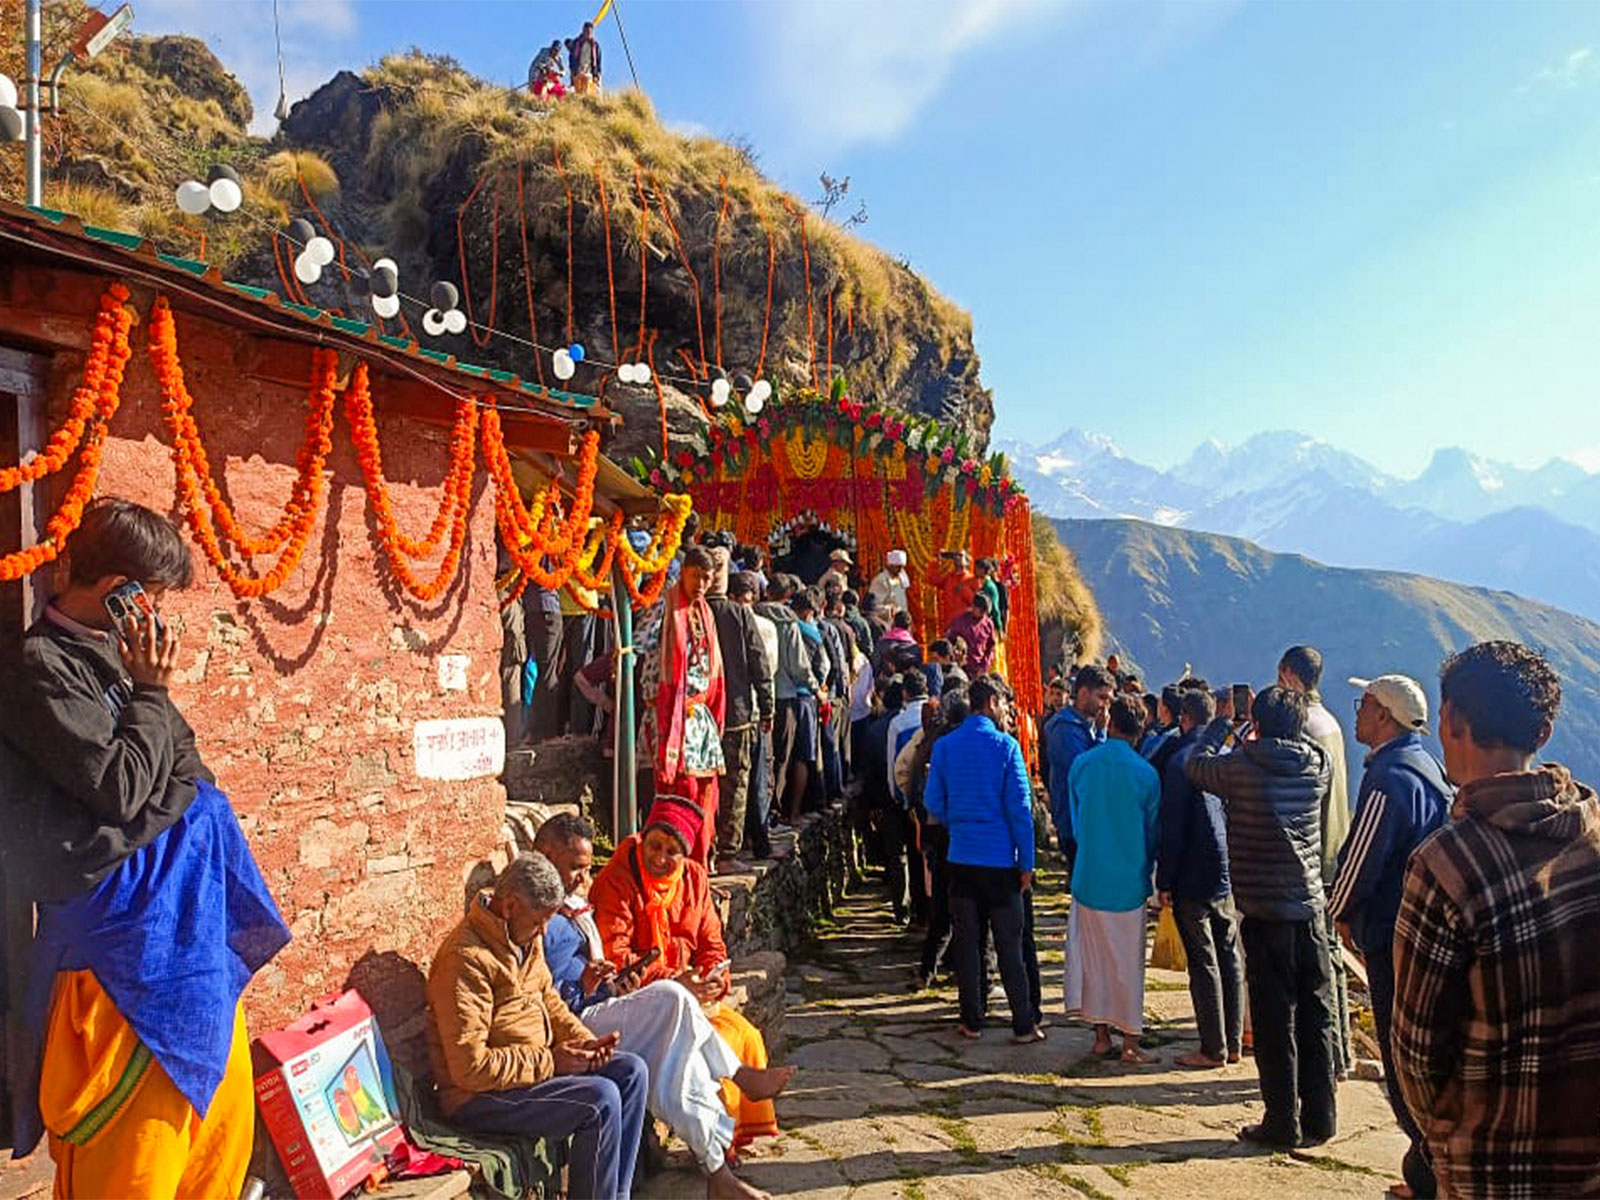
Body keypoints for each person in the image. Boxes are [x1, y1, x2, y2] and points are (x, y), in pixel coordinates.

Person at [0, 499, 290, 1199]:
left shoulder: (117, 662)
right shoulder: (37, 668)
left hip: (187, 950)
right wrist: (152, 696)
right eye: (152, 599)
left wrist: (156, 760)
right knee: (134, 1166)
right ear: (115, 592)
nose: (156, 617)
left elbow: (193, 771)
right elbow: (125, 788)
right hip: (116, 958)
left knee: (213, 1154)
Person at [1392, 642, 1600, 1199]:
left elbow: (1416, 1050)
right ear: (1544, 730)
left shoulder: (1447, 863)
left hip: (1490, 1164)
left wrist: (1443, 1136)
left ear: (1453, 720)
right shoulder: (1592, 836)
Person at [535, 815, 793, 1200]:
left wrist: (705, 975)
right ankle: (738, 1075)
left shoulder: (688, 882)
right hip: (575, 1025)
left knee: (677, 1069)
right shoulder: (539, 911)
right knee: (673, 998)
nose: (582, 880)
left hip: (608, 1001)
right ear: (544, 855)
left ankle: (717, 1172)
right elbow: (539, 993)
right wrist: (587, 986)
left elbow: (710, 941)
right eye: (574, 868)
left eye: (585, 870)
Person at [427, 853, 646, 1200]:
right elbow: (469, 1068)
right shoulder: (465, 959)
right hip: (479, 1096)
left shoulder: (526, 937)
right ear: (511, 905)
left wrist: (586, 1044)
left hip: (530, 1074)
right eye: (540, 920)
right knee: (599, 1101)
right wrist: (551, 1062)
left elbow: (550, 1001)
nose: (545, 930)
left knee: (632, 1072)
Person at [1186, 687, 1338, 1150]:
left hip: (1264, 910)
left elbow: (1195, 764)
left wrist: (1222, 723)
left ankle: (1281, 1121)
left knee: (1275, 1022)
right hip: (1309, 908)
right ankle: (1321, 1115)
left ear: (1256, 721)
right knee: (1316, 1014)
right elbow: (1310, 749)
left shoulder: (1239, 767)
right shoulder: (1318, 767)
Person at [589, 798, 782, 1149]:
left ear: (686, 854)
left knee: (746, 1036)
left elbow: (712, 942)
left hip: (691, 992)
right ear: (642, 840)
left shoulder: (694, 878)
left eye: (671, 851)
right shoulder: (616, 880)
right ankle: (715, 1148)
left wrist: (714, 978)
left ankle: (730, 1139)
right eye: (654, 846)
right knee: (710, 1047)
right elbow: (615, 955)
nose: (660, 858)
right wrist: (671, 980)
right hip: (643, 1000)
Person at [1329, 673, 1449, 1199]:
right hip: (1422, 927)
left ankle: (1425, 1172)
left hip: (1388, 929)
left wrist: (1338, 910)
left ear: (1384, 716)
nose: (1358, 713)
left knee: (1401, 1057)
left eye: (1365, 704)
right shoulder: (1427, 767)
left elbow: (1363, 855)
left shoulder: (1388, 776)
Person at [923, 675, 1042, 1044]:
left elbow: (933, 802)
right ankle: (1023, 1022)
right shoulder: (1006, 747)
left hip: (960, 857)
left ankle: (971, 1020)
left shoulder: (944, 747)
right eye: (1005, 703)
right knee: (1010, 945)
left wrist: (960, 817)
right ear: (991, 702)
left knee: (968, 943)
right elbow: (1020, 809)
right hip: (1002, 861)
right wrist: (1027, 863)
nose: (1007, 711)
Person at [1063, 695, 1162, 1065]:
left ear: (1110, 723)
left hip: (1089, 875)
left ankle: (1101, 1036)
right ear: (1139, 731)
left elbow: (1074, 819)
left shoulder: (1082, 765)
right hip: (1128, 880)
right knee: (1127, 965)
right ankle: (1131, 1042)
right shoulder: (1146, 775)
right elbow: (1152, 832)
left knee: (1095, 963)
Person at [1277, 645, 1354, 1076]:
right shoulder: (1332, 723)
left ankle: (1326, 1058)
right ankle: (1341, 1053)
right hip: (1335, 847)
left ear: (1288, 674)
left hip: (1308, 855)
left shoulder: (1300, 725)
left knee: (1316, 967)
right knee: (1333, 958)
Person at [1157, 688, 1244, 1069]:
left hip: (1192, 872)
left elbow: (1172, 827)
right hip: (1226, 868)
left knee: (1203, 959)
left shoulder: (1180, 762)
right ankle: (1235, 1040)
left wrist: (1165, 880)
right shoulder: (1226, 758)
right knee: (1228, 953)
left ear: (1185, 718)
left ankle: (1212, 1047)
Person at [645, 545, 725, 864]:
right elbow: (638, 645)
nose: (701, 584)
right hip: (669, 714)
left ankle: (700, 863)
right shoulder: (663, 606)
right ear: (683, 573)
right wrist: (653, 700)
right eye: (695, 576)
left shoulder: (706, 611)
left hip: (700, 716)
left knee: (705, 793)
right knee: (678, 791)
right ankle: (672, 861)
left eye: (707, 578)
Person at [709, 562, 773, 871]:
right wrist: (767, 706)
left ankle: (705, 850)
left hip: (701, 716)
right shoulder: (740, 615)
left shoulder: (692, 611)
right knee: (734, 785)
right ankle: (726, 854)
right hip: (737, 714)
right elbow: (759, 664)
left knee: (704, 785)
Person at [756, 577, 819, 834]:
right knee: (781, 758)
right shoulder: (788, 622)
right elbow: (798, 666)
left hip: (760, 695)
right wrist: (815, 686)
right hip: (786, 695)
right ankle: (776, 815)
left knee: (764, 758)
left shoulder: (753, 614)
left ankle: (761, 816)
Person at [1043, 663, 1114, 871]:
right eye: (1102, 698)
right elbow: (1087, 771)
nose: (1105, 706)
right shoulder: (1065, 729)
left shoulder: (1086, 724)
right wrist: (1101, 734)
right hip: (1074, 823)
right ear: (1083, 693)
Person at [883, 670, 929, 925]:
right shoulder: (936, 715)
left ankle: (916, 910)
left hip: (908, 796)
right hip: (931, 798)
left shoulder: (898, 724)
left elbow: (895, 764)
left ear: (905, 693)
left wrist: (898, 798)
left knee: (912, 853)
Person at [943, 592, 997, 676]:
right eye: (979, 610)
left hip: (979, 668)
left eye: (984, 612)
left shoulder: (988, 624)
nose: (982, 614)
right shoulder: (961, 621)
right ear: (973, 606)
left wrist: (984, 665)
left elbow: (991, 646)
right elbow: (949, 641)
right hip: (962, 668)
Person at [930, 550, 979, 630]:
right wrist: (936, 561)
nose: (957, 558)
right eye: (955, 556)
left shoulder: (972, 579)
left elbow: (977, 603)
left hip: (965, 625)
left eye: (960, 555)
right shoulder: (949, 578)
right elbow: (933, 580)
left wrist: (964, 590)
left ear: (966, 560)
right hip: (950, 623)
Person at [867, 549, 911, 620]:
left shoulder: (901, 578)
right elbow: (874, 606)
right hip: (886, 623)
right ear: (890, 565)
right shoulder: (881, 580)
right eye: (898, 567)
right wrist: (891, 610)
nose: (900, 570)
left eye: (902, 567)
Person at [568, 21, 602, 95]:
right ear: (583, 31)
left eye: (589, 32)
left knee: (590, 88)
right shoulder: (576, 43)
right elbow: (571, 57)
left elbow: (598, 60)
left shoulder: (595, 45)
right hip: (578, 71)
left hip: (590, 71)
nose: (588, 33)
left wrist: (597, 73)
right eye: (586, 31)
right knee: (578, 90)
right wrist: (572, 71)